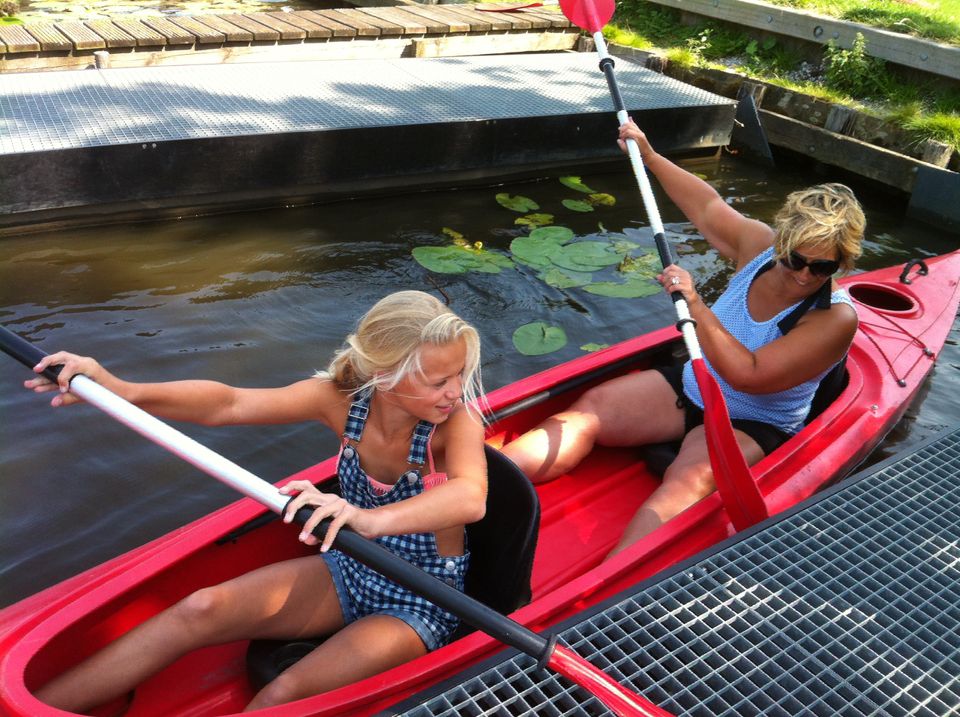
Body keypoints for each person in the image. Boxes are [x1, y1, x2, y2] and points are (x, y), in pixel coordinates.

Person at [23, 290, 488, 713]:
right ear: (384, 375)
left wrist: (366, 519)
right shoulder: (340, 402)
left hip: (422, 597)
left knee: (281, 696)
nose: (455, 391)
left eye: (460, 374)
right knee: (200, 608)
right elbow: (228, 404)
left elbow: (470, 497)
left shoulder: (456, 424)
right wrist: (120, 390)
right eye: (438, 381)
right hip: (354, 567)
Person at [502, 119, 865, 559]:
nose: (804, 275)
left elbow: (749, 375)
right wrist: (651, 156)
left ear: (842, 264)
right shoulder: (758, 245)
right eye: (795, 259)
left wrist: (695, 303)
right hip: (694, 384)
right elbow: (707, 206)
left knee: (688, 481)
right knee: (590, 411)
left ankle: (607, 586)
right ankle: (475, 487)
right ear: (782, 243)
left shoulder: (834, 319)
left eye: (823, 267)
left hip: (752, 421)